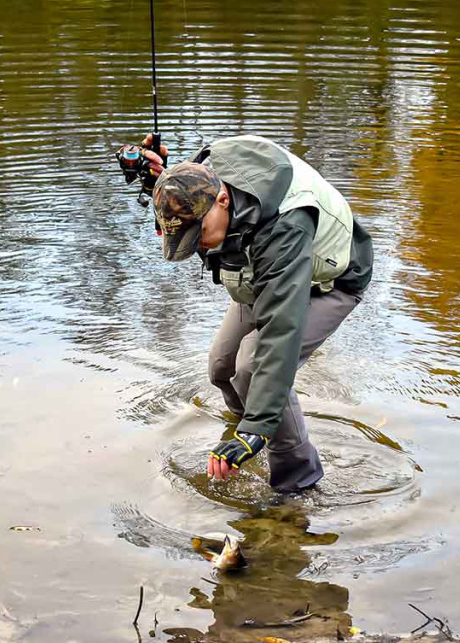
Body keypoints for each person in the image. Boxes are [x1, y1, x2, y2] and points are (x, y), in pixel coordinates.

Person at [140, 134, 373, 492]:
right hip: (262, 273)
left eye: (197, 235)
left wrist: (258, 428)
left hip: (331, 280)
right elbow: (183, 197)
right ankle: (241, 441)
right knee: (221, 366)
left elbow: (280, 334)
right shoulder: (205, 182)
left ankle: (297, 481)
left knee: (251, 365)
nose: (196, 245)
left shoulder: (286, 227)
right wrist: (155, 177)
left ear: (222, 199)